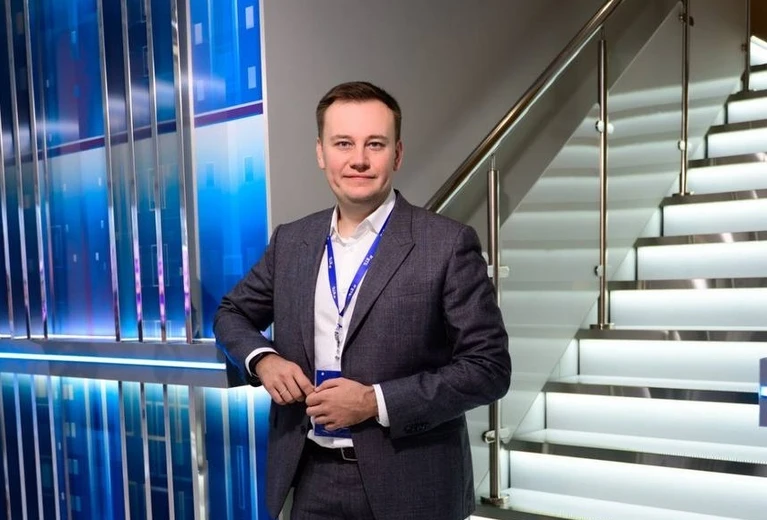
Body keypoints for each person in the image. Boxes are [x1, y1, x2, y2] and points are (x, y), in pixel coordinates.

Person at [214, 81, 511, 520]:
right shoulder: (292, 241)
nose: (359, 159)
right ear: (321, 153)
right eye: (343, 143)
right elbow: (232, 313)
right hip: (309, 476)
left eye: (375, 144)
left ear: (397, 154)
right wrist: (263, 360)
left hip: (412, 483)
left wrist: (375, 402)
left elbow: (489, 369)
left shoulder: (447, 244)